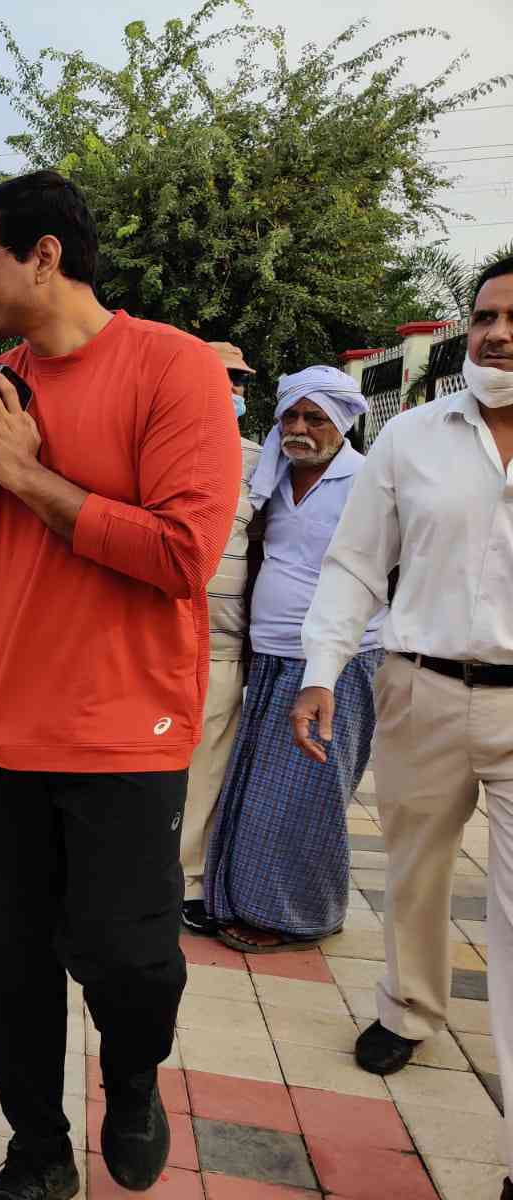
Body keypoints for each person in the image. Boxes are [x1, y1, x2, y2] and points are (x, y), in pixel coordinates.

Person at [0, 171, 239, 1198]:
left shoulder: (171, 370)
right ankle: (38, 1151)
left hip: (125, 727)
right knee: (13, 967)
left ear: (43, 256)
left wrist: (31, 479)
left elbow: (183, 554)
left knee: (127, 954)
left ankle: (133, 1074)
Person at [290, 259, 513, 1167]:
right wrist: (319, 669)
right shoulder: (412, 437)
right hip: (420, 687)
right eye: (485, 316)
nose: (498, 333)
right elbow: (353, 563)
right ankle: (409, 1008)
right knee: (415, 869)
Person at [202, 367, 383, 952]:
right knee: (258, 786)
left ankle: (299, 915)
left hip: (340, 663)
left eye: (315, 419)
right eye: (291, 417)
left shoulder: (367, 480)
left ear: (344, 423)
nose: (300, 430)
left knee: (305, 791)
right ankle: (241, 899)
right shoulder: (274, 476)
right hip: (273, 654)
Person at [178, 344, 264, 935]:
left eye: (237, 381)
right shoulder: (162, 447)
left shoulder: (262, 460)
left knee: (208, 767)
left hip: (227, 641)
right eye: (220, 378)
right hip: (159, 635)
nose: (230, 390)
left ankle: (187, 880)